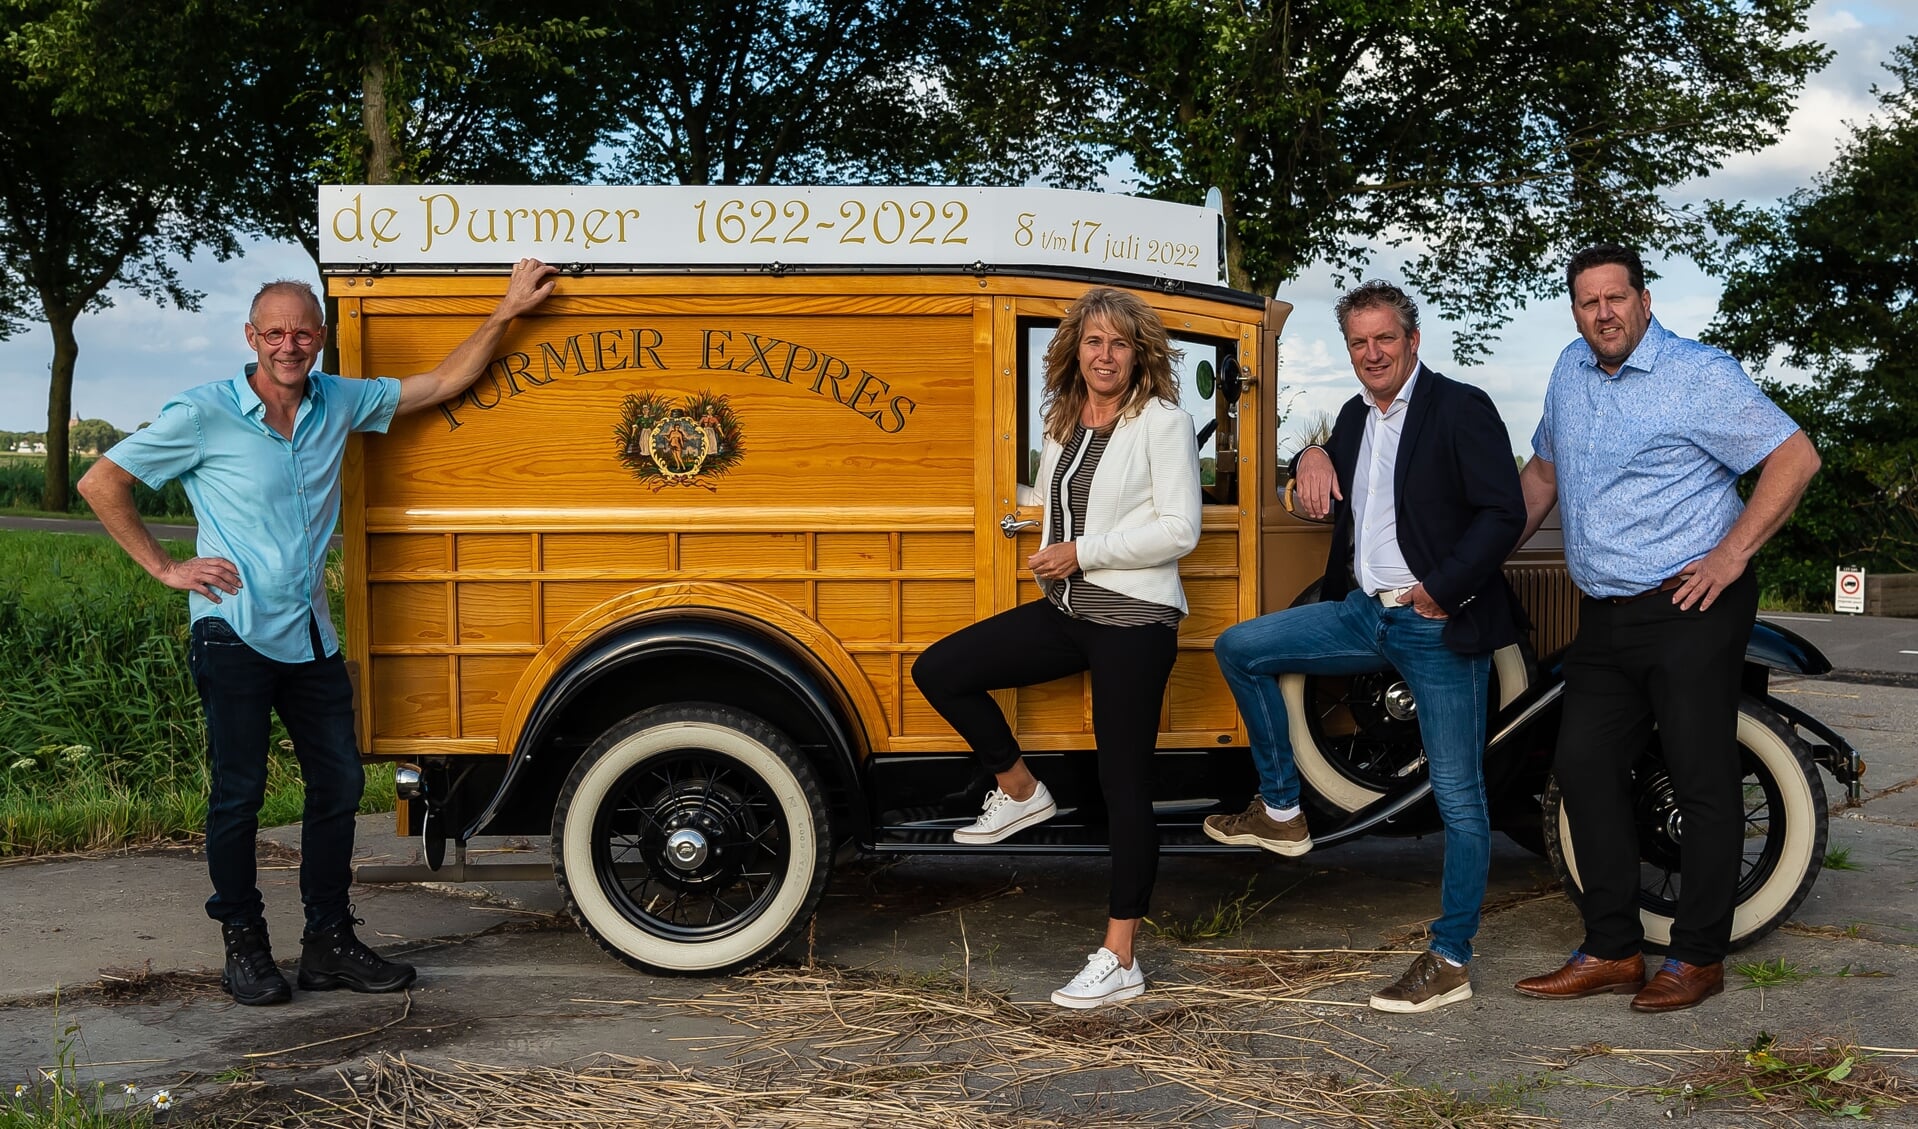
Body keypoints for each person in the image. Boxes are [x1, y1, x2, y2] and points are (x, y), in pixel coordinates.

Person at [77, 259, 559, 1006]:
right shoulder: (204, 413)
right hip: (232, 631)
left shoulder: (340, 400)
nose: (289, 345)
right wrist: (167, 568)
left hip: (310, 637)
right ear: (251, 337)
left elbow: (441, 384)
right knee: (238, 795)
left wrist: (505, 313)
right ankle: (244, 944)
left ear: (321, 338)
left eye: (302, 332)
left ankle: (328, 942)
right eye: (274, 332)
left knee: (335, 785)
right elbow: (102, 482)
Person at [1513, 245, 1819, 1012]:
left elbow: (1795, 456)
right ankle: (1614, 948)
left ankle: (1696, 956)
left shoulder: (1698, 374)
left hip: (1690, 604)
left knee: (1700, 775)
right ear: (1575, 310)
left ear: (1644, 300)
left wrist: (1730, 555)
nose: (1604, 313)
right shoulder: (1568, 373)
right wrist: (1478, 559)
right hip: (1605, 612)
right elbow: (1543, 476)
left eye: (1616, 298)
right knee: (1581, 767)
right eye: (1589, 302)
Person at [1205, 280, 1525, 1015]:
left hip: (1437, 623)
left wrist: (1444, 587)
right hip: (1359, 613)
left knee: (1460, 798)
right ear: (1348, 349)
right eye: (1359, 342)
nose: (1373, 353)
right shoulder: (1353, 416)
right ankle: (1281, 807)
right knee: (1239, 646)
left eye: (1385, 338)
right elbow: (1320, 473)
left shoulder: (1459, 406)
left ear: (1413, 340)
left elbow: (1502, 510)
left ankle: (1450, 957)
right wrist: (1308, 456)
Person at [911, 287, 1200, 1009]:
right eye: (1093, 342)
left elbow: (1179, 529)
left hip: (1135, 622)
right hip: (1069, 611)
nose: (1105, 356)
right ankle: (1020, 789)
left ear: (1140, 354)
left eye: (1119, 344)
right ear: (1075, 349)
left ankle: (1119, 955)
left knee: (1122, 784)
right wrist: (1053, 554)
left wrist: (1082, 552)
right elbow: (1054, 507)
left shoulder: (1163, 421)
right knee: (941, 668)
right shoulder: (1064, 419)